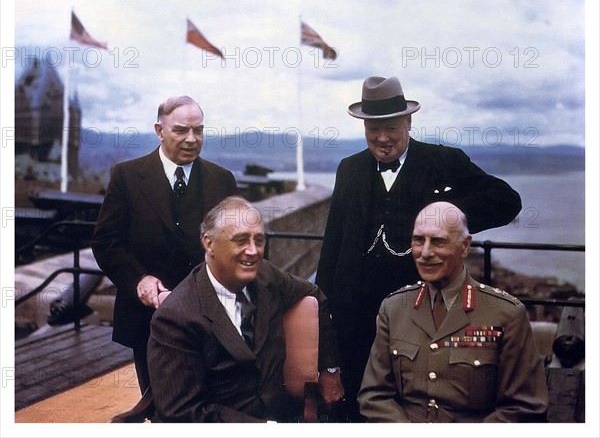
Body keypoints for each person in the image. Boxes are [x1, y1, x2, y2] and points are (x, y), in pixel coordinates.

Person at [315, 75, 523, 420]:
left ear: (408, 122)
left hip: (421, 322)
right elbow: (331, 249)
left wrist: (450, 216)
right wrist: (327, 353)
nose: (382, 138)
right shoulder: (348, 169)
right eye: (373, 129)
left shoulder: (444, 161)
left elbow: (506, 201)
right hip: (355, 330)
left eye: (391, 128)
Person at [147, 196, 344, 422]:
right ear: (209, 243)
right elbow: (180, 412)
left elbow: (316, 295)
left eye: (258, 240)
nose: (253, 251)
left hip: (284, 418)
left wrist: (330, 370)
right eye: (241, 240)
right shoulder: (176, 317)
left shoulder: (267, 277)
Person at [91, 95, 239, 393]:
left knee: (207, 407)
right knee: (157, 406)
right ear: (159, 131)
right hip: (146, 320)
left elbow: (235, 247)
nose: (191, 139)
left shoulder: (222, 180)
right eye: (181, 130)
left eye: (198, 131)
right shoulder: (127, 177)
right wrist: (139, 280)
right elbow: (106, 242)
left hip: (209, 322)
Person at [358, 201, 548, 422]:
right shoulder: (394, 308)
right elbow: (374, 396)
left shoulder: (506, 314)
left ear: (465, 246)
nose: (425, 253)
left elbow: (525, 407)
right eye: (418, 240)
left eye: (438, 241)